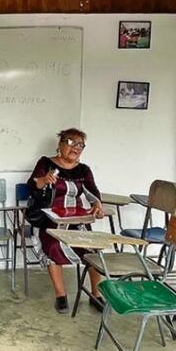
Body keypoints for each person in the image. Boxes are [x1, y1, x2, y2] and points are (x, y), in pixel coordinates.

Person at [26, 128, 106, 314]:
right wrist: (44, 180)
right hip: (48, 220)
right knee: (53, 245)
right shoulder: (46, 163)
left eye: (80, 145)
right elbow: (32, 186)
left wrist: (97, 204)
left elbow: (92, 191)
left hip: (76, 220)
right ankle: (61, 296)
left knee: (93, 249)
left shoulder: (84, 170)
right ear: (60, 144)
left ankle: (96, 294)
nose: (76, 148)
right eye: (71, 142)